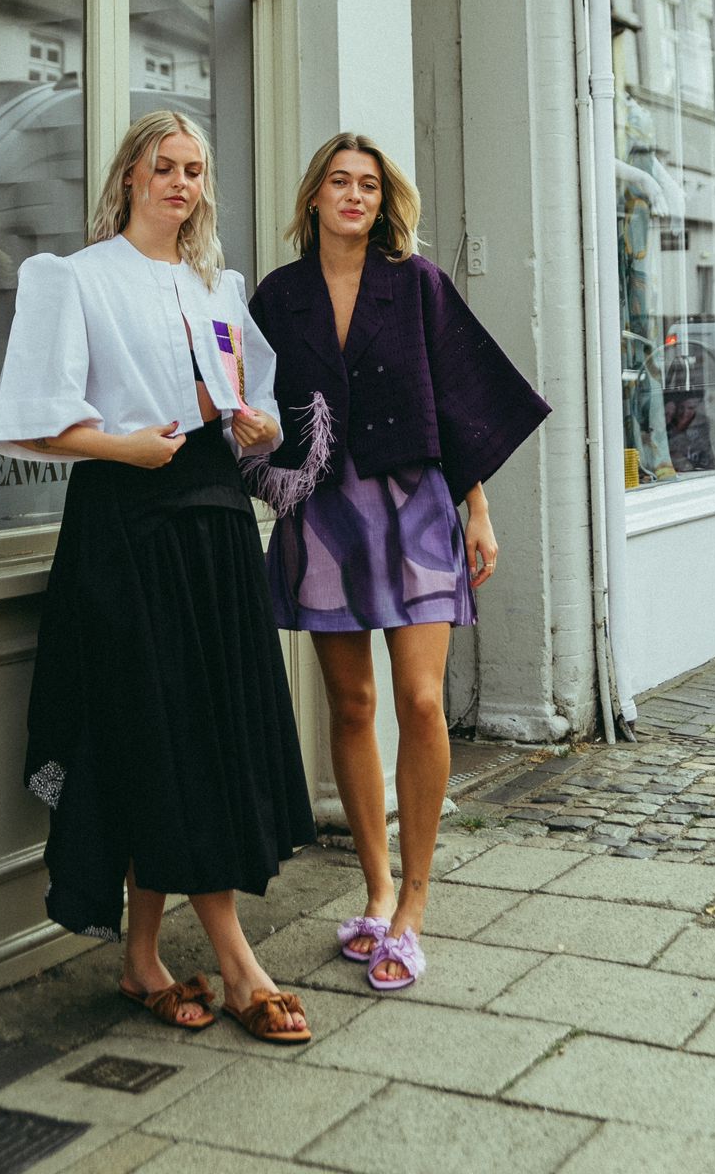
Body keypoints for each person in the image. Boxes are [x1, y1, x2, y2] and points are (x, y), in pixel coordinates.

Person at [0, 110, 315, 1045]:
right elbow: (32, 421)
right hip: (127, 527)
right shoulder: (74, 280)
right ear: (129, 175)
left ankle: (141, 961)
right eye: (163, 166)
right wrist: (121, 447)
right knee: (164, 731)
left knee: (176, 734)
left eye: (195, 169)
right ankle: (241, 964)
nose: (181, 183)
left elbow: (252, 410)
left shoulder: (218, 286)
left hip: (212, 526)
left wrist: (257, 427)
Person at [247, 131, 549, 992]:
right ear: (313, 199)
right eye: (338, 183)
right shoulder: (279, 297)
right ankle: (376, 890)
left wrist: (477, 509)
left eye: (368, 186)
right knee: (351, 704)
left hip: (416, 507)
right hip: (321, 513)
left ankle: (415, 904)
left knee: (420, 701)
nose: (353, 197)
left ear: (384, 202)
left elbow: (461, 396)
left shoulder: (415, 285)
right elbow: (251, 403)